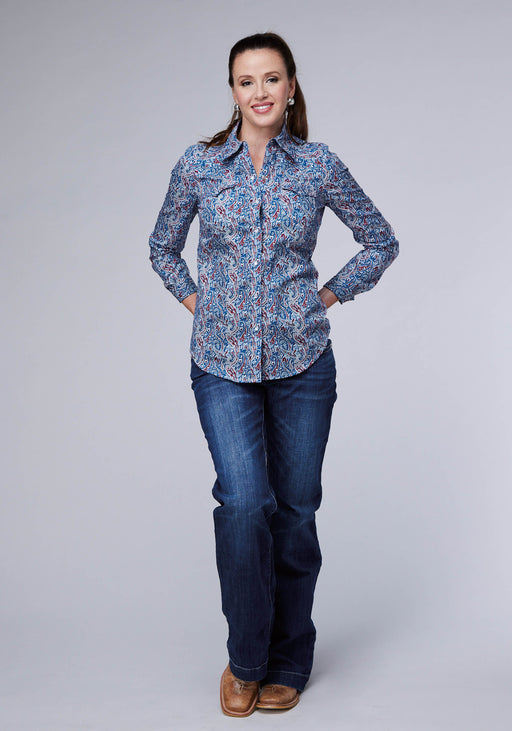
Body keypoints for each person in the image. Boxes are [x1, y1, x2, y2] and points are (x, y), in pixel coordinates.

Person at [149, 32, 398, 717]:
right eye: (245, 80)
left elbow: (380, 240)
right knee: (243, 505)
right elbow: (163, 246)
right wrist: (200, 305)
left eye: (270, 78)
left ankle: (289, 657)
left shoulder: (317, 165)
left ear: (291, 87)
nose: (259, 91)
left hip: (303, 365)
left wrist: (329, 295)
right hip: (221, 364)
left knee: (295, 512)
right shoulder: (199, 165)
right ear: (233, 92)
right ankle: (247, 659)